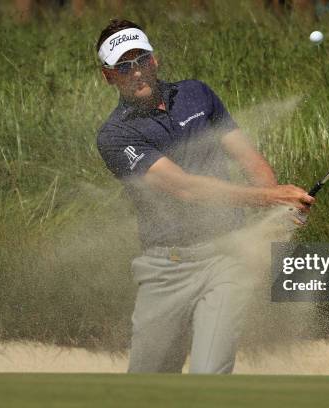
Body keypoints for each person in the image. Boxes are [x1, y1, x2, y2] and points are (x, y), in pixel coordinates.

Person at [95, 19, 314, 374]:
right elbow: (185, 188)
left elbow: (249, 159)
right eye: (124, 66)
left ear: (155, 61)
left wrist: (278, 207)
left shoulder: (196, 94)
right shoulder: (114, 135)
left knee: (209, 374)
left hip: (226, 258)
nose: (135, 72)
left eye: (141, 60)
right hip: (165, 267)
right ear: (109, 76)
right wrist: (271, 199)